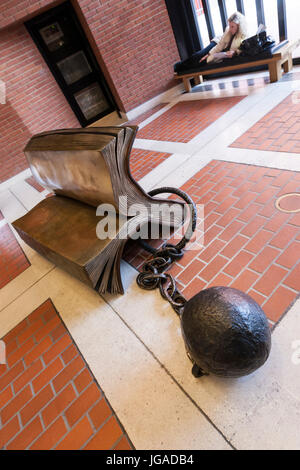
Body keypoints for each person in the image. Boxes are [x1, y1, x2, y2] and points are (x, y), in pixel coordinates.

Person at [174, 12, 248, 73]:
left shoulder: (244, 36)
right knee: (199, 55)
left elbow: (242, 49)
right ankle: (179, 66)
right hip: (217, 43)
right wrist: (208, 54)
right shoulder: (228, 30)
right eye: (230, 26)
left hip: (223, 52)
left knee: (201, 63)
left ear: (239, 26)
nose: (230, 29)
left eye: (233, 26)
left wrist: (235, 52)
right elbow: (220, 45)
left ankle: (182, 70)